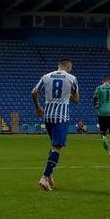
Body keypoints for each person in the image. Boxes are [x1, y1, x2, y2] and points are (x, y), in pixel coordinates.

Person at [32, 58, 79, 191]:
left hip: (47, 116)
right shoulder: (72, 78)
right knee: (57, 148)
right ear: (68, 67)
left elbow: (34, 92)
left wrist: (38, 107)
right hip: (61, 117)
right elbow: (76, 99)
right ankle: (45, 177)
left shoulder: (46, 76)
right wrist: (67, 94)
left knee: (53, 145)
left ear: (58, 66)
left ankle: (50, 173)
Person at [92, 75, 110, 157]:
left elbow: (94, 97)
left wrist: (95, 104)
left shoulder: (99, 88)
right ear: (109, 82)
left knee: (103, 130)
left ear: (103, 81)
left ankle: (104, 137)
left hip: (102, 112)